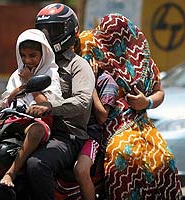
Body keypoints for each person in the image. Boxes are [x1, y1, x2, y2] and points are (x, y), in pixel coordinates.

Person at [92, 13, 182, 199]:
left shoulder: (143, 62)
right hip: (110, 125)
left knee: (165, 158)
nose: (107, 40)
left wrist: (146, 102)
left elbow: (159, 92)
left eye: (112, 35)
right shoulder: (96, 58)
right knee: (122, 156)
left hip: (142, 123)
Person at [23, 3, 95, 199]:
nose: (47, 36)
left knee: (37, 165)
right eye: (43, 31)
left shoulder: (78, 65)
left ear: (70, 30)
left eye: (53, 30)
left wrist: (48, 107)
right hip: (34, 128)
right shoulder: (37, 62)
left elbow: (81, 101)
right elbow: (16, 91)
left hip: (67, 135)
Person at [0, 28, 63, 187]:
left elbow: (46, 104)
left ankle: (11, 172)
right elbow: (7, 101)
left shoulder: (51, 74)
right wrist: (22, 86)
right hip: (15, 116)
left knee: (36, 131)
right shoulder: (18, 74)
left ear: (44, 54)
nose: (28, 60)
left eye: (33, 55)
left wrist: (31, 83)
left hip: (38, 120)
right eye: (23, 56)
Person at [73, 30, 119, 200]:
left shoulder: (107, 81)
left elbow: (102, 117)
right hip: (70, 131)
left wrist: (90, 85)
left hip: (91, 137)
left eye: (88, 55)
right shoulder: (73, 73)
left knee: (81, 170)